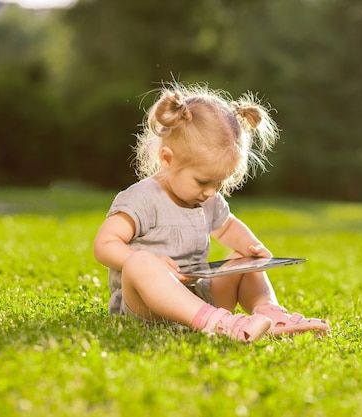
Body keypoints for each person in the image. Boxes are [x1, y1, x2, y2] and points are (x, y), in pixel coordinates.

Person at [93, 82, 330, 342]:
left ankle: (270, 314)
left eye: (219, 183)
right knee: (141, 262)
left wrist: (251, 248)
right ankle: (217, 322)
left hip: (199, 295)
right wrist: (148, 259)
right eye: (203, 182)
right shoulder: (142, 199)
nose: (210, 192)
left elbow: (227, 226)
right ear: (167, 159)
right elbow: (105, 245)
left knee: (243, 262)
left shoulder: (207, 199)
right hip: (146, 305)